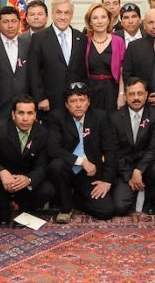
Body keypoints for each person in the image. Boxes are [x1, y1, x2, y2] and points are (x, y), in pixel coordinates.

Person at [46, 82, 117, 223]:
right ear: (66, 104)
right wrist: (82, 162)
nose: (78, 105)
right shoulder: (57, 117)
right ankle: (65, 208)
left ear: (88, 102)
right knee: (56, 165)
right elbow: (53, 149)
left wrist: (106, 181)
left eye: (82, 100)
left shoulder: (100, 117)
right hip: (66, 170)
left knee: (106, 211)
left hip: (90, 174)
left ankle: (76, 198)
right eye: (73, 101)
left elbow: (110, 150)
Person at [0, 95, 55, 226]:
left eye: (30, 113)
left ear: (35, 115)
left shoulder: (43, 132)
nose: (25, 118)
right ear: (13, 114)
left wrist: (29, 179)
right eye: (21, 113)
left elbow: (43, 165)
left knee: (48, 189)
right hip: (1, 183)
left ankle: (27, 208)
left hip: (25, 183)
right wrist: (1, 171)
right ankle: (2, 208)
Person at [109, 78, 155, 215]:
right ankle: (135, 189)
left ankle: (150, 199)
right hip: (125, 168)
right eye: (131, 94)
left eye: (140, 93)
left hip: (148, 165)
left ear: (146, 95)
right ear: (125, 96)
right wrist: (130, 175)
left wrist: (138, 170)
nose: (136, 98)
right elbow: (115, 151)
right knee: (119, 208)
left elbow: (154, 148)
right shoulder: (115, 118)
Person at [29, 0, 87, 112]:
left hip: (75, 102)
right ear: (52, 14)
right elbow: (33, 70)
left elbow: (83, 70)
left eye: (67, 13)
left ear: (72, 15)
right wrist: (40, 98)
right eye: (59, 12)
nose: (63, 17)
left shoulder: (81, 38)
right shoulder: (39, 38)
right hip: (49, 102)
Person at [0, 6, 32, 121]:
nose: (10, 26)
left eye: (13, 21)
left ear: (19, 23)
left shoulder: (29, 44)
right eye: (5, 22)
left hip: (24, 108)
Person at [83, 3, 126, 112]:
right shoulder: (84, 42)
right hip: (90, 92)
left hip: (112, 91)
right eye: (95, 18)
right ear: (90, 22)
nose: (100, 21)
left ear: (108, 20)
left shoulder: (118, 41)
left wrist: (121, 94)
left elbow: (122, 70)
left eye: (103, 17)